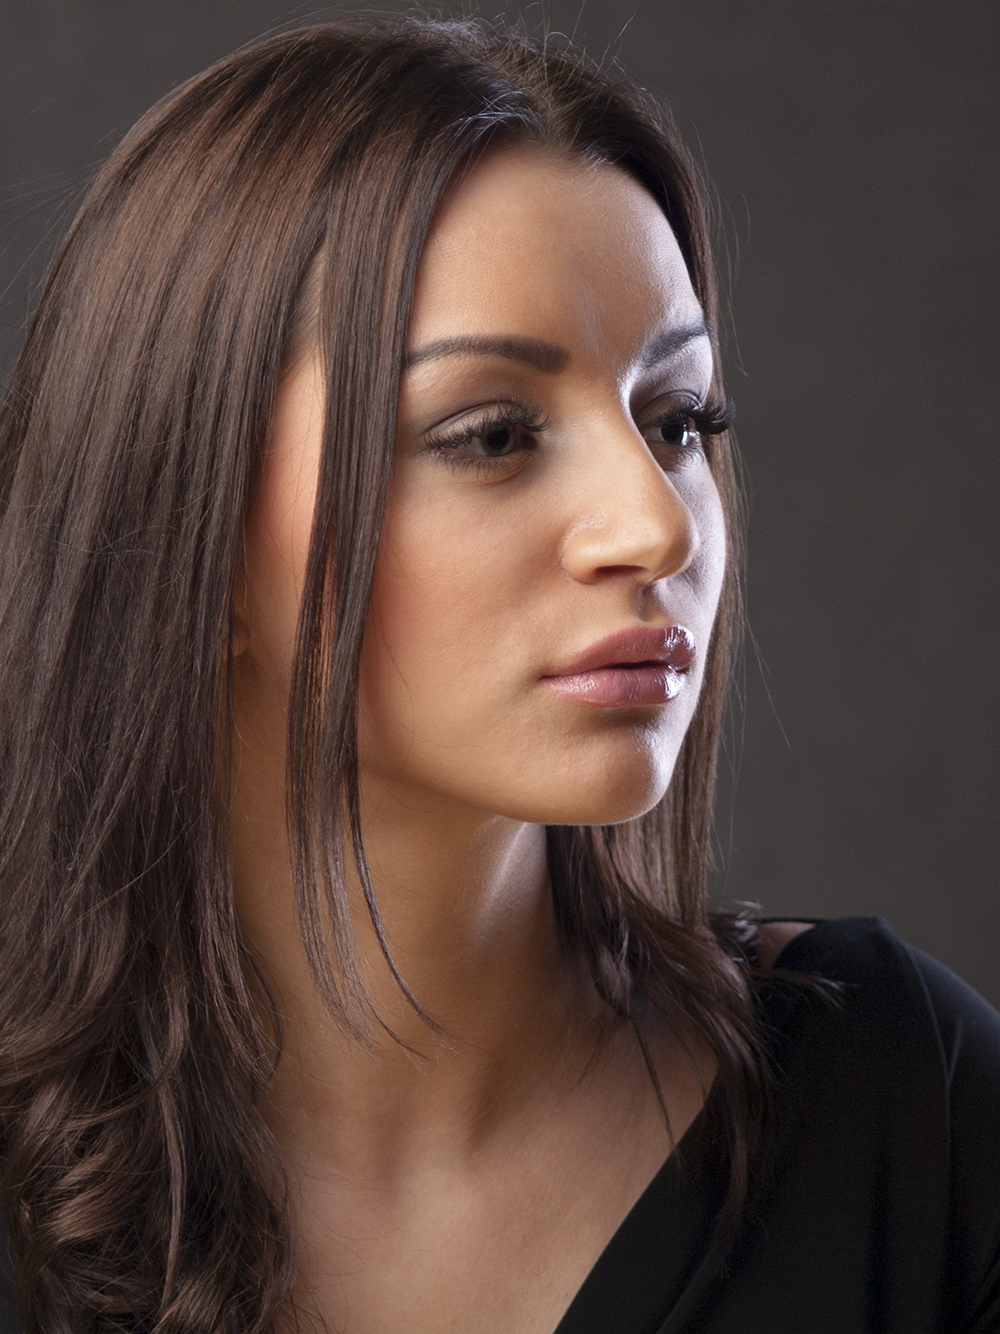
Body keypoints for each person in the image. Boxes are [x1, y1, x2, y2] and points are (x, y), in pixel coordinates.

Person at [0, 17, 996, 1334]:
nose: (658, 525)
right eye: (491, 436)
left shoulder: (908, 1109)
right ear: (198, 532)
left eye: (677, 420)